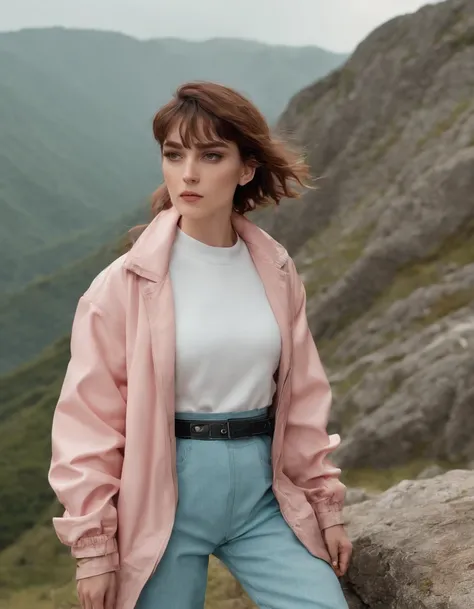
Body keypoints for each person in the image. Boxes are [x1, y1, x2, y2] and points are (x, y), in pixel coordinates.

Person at [48, 81, 352, 609]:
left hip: (263, 496)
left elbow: (302, 398)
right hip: (163, 502)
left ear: (246, 168)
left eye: (211, 155)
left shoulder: (275, 270)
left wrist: (326, 508)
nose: (188, 172)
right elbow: (88, 421)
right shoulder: (124, 284)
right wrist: (94, 549)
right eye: (174, 154)